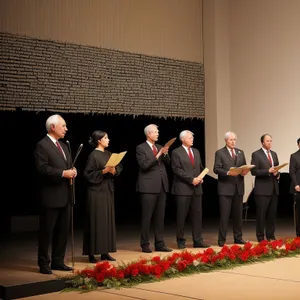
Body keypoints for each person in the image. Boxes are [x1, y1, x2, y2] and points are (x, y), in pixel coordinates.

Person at [34, 114, 77, 274]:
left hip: (66, 195)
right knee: (47, 231)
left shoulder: (64, 146)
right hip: (51, 196)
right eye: (63, 126)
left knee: (62, 231)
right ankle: (44, 262)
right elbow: (42, 169)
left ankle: (58, 261)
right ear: (53, 127)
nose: (66, 129)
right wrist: (62, 173)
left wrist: (72, 171)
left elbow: (68, 166)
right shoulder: (42, 145)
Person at [83, 130, 123, 262]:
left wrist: (114, 170)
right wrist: (103, 171)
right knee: (96, 221)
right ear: (99, 140)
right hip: (96, 192)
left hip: (107, 190)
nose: (108, 140)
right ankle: (91, 253)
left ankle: (105, 252)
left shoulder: (109, 153)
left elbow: (119, 168)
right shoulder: (93, 155)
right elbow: (88, 174)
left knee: (107, 221)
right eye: (106, 138)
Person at [136, 124, 172, 253]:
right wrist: (158, 155)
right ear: (148, 134)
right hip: (148, 187)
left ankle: (160, 243)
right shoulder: (141, 148)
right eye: (155, 132)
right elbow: (144, 165)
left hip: (162, 185)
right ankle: (145, 244)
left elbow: (168, 163)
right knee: (147, 217)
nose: (157, 134)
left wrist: (166, 154)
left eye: (158, 131)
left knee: (160, 217)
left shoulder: (159, 147)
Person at [171, 130, 210, 249]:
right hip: (183, 189)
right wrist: (191, 179)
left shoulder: (196, 151)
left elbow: (200, 167)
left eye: (192, 137)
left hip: (197, 189)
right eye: (189, 138)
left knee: (197, 216)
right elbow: (176, 169)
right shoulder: (176, 152)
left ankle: (198, 240)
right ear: (183, 139)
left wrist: (201, 177)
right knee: (181, 216)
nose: (192, 139)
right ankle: (181, 240)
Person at [213, 131, 248, 247]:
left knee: (238, 215)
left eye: (234, 139)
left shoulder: (240, 152)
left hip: (238, 188)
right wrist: (228, 172)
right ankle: (221, 240)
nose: (233, 142)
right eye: (231, 140)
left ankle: (238, 238)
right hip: (225, 188)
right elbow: (216, 169)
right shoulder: (220, 153)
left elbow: (244, 166)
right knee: (224, 215)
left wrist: (244, 172)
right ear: (226, 141)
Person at [251, 133, 280, 242]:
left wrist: (277, 174)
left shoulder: (274, 154)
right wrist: (267, 171)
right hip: (262, 190)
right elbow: (254, 171)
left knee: (272, 214)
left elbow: (276, 168)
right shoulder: (256, 154)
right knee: (261, 215)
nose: (270, 143)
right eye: (267, 141)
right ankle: (260, 236)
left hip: (273, 188)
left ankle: (271, 235)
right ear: (262, 142)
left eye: (271, 141)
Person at [289, 138, 300, 237]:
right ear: (298, 145)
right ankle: (299, 234)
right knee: (299, 213)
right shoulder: (294, 156)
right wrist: (296, 184)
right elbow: (292, 172)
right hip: (298, 188)